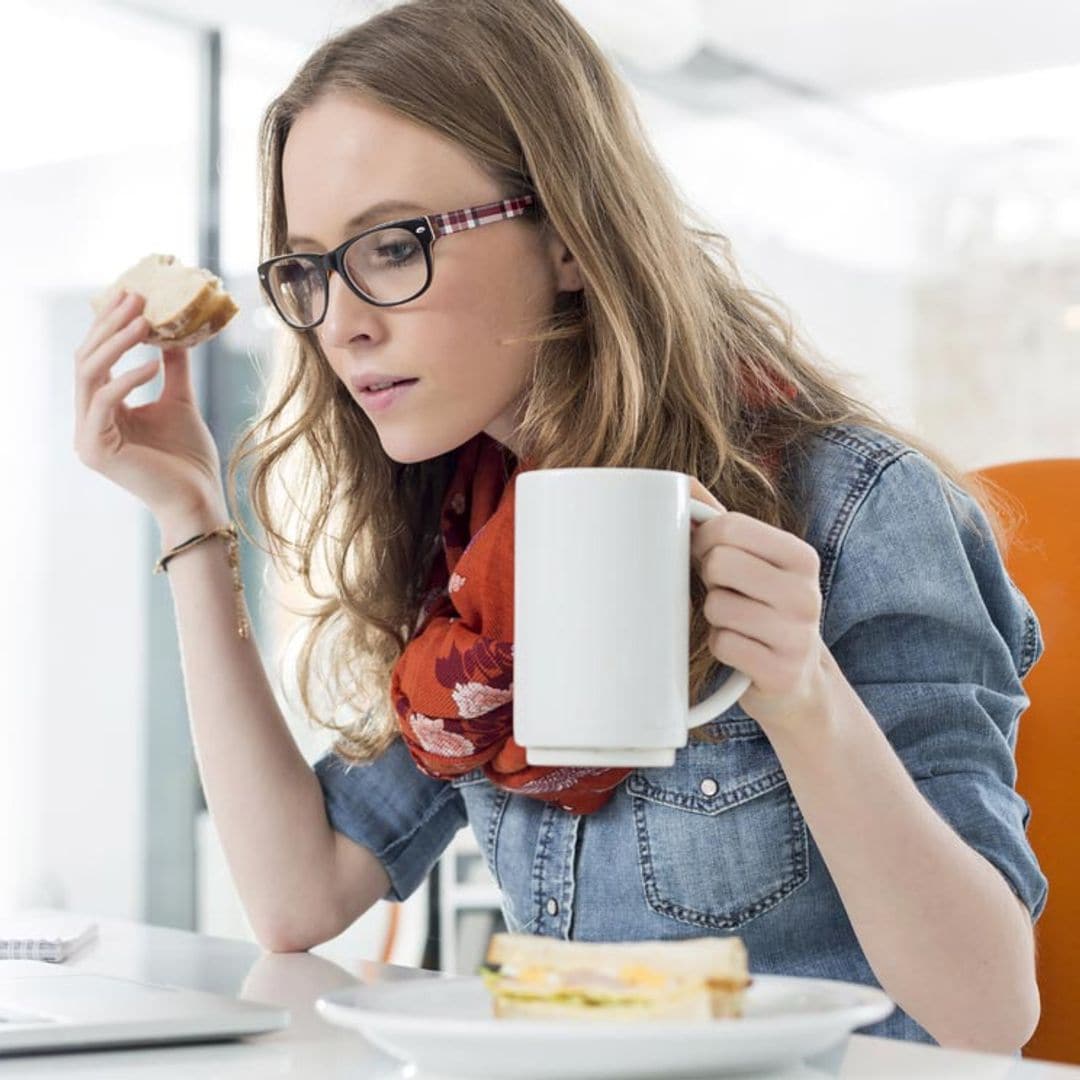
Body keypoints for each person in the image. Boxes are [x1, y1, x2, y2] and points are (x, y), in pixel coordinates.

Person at [73, 0, 1046, 1051]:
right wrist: (190, 511)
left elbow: (988, 1011)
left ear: (571, 239)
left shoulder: (859, 506)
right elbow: (301, 890)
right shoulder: (475, 534)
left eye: (394, 246)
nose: (342, 320)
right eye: (309, 268)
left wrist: (803, 698)